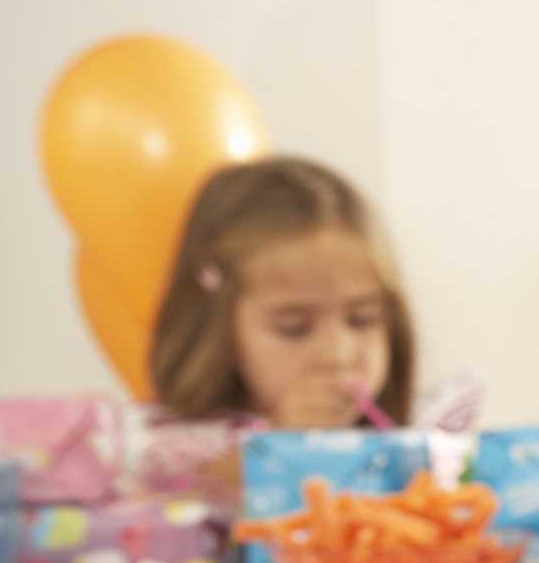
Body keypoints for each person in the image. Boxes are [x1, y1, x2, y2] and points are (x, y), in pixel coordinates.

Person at [148, 156, 416, 432]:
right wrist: (281, 439)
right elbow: (196, 475)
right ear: (221, 334)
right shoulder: (180, 447)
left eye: (362, 319)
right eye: (295, 328)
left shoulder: (422, 428)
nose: (337, 354)